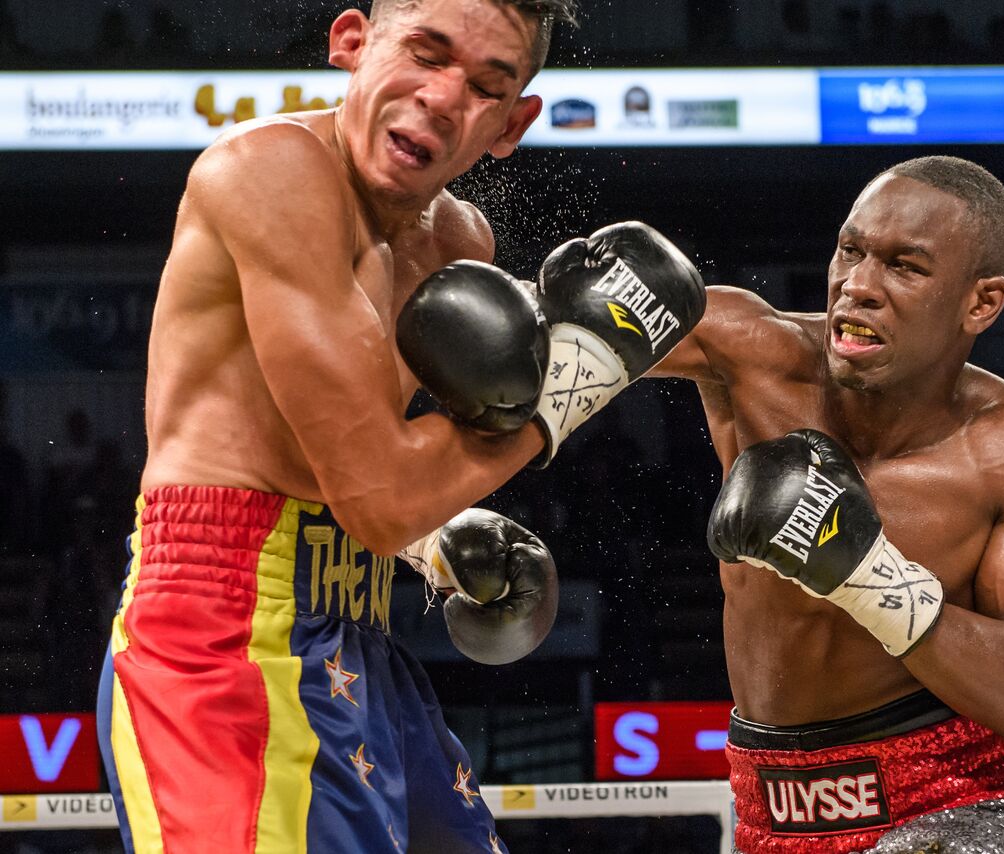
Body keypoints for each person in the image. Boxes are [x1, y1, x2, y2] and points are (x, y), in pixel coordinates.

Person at [92, 1, 699, 852]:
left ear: (511, 125)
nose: (444, 98)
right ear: (350, 42)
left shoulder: (457, 242)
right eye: (426, 52)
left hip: (357, 630)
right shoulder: (270, 171)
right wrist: (577, 382)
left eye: (488, 85)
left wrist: (432, 542)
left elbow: (368, 468)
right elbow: (380, 495)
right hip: (223, 640)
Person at [655, 156, 1004, 852]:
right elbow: (510, 337)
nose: (857, 286)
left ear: (982, 302)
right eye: (850, 251)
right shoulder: (752, 352)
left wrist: (870, 577)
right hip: (768, 811)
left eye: (905, 267)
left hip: (948, 808)